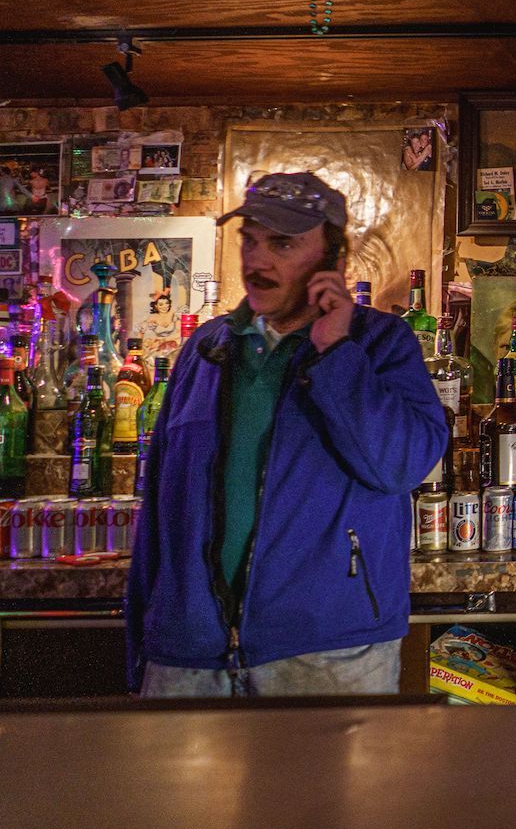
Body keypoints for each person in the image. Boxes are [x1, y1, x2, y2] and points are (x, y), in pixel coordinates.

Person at [127, 172, 448, 697]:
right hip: (187, 654)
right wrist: (147, 639)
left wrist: (336, 351)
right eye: (249, 241)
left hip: (328, 649)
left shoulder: (380, 344)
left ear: (333, 261)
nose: (257, 260)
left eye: (282, 243)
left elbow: (401, 464)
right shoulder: (207, 348)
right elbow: (161, 505)